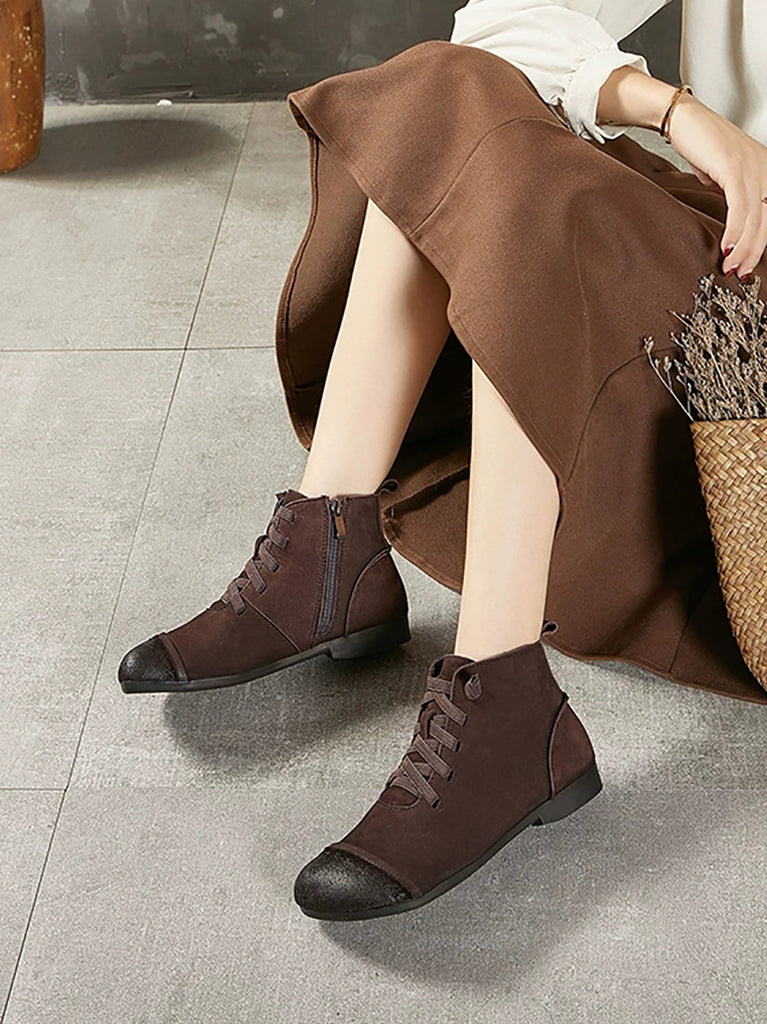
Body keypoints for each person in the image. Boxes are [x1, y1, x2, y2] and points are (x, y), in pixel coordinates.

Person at [118, 0, 767, 921]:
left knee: (526, 190)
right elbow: (500, 22)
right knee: (450, 91)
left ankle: (500, 694)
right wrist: (678, 112)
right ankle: (328, 541)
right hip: (734, 229)